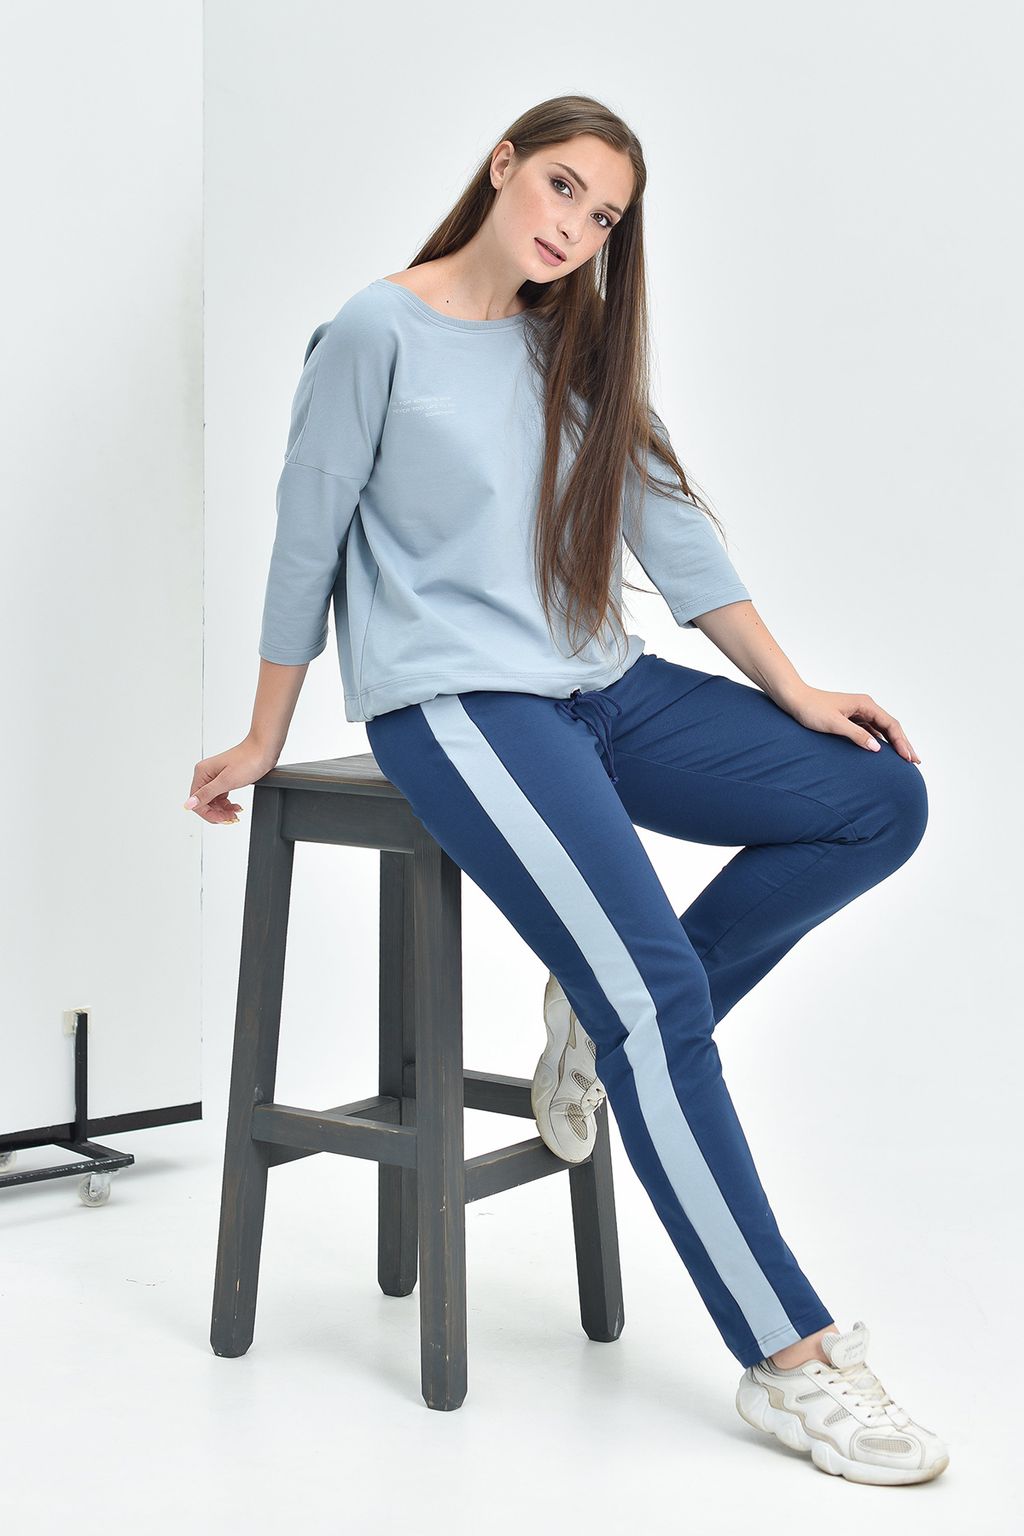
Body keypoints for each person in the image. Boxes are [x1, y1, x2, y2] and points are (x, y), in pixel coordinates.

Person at [185, 94, 948, 1485]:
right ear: (502, 165)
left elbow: (670, 527)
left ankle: (599, 1027)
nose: (574, 228)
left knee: (877, 799)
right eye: (560, 188)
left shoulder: (567, 345)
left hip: (603, 683)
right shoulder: (373, 332)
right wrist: (261, 731)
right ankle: (789, 1361)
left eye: (603, 218)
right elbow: (306, 539)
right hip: (460, 705)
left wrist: (796, 692)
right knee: (655, 993)